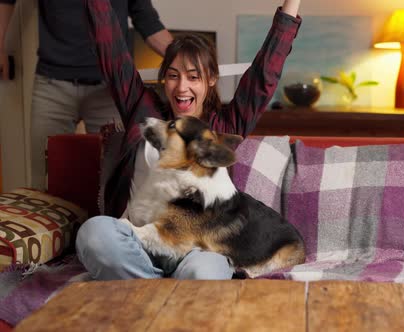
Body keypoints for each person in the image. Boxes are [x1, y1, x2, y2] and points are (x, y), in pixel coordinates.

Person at [75, 0, 302, 280]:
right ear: (163, 81)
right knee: (93, 234)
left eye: (193, 77)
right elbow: (110, 49)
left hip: (196, 251)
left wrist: (292, 5)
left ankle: (142, 294)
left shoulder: (222, 127)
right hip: (135, 244)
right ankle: (160, 292)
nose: (182, 87)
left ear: (210, 80)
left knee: (204, 272)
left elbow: (264, 75)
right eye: (173, 76)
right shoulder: (142, 110)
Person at [0, 0, 173, 190]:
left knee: (116, 181)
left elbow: (145, 17)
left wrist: (184, 58)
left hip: (109, 88)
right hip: (51, 83)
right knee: (44, 180)